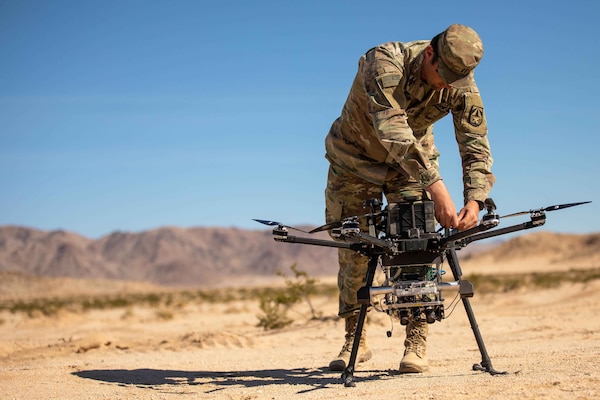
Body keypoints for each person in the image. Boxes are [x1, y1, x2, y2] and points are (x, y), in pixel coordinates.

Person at [322, 24, 495, 373]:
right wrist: (438, 187)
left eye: (454, 80)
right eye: (441, 75)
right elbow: (393, 130)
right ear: (429, 53)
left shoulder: (460, 82)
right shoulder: (384, 62)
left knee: (418, 244)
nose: (445, 85)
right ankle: (354, 337)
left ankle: (416, 340)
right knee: (355, 247)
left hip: (412, 168)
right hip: (354, 161)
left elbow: (475, 145)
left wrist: (475, 200)